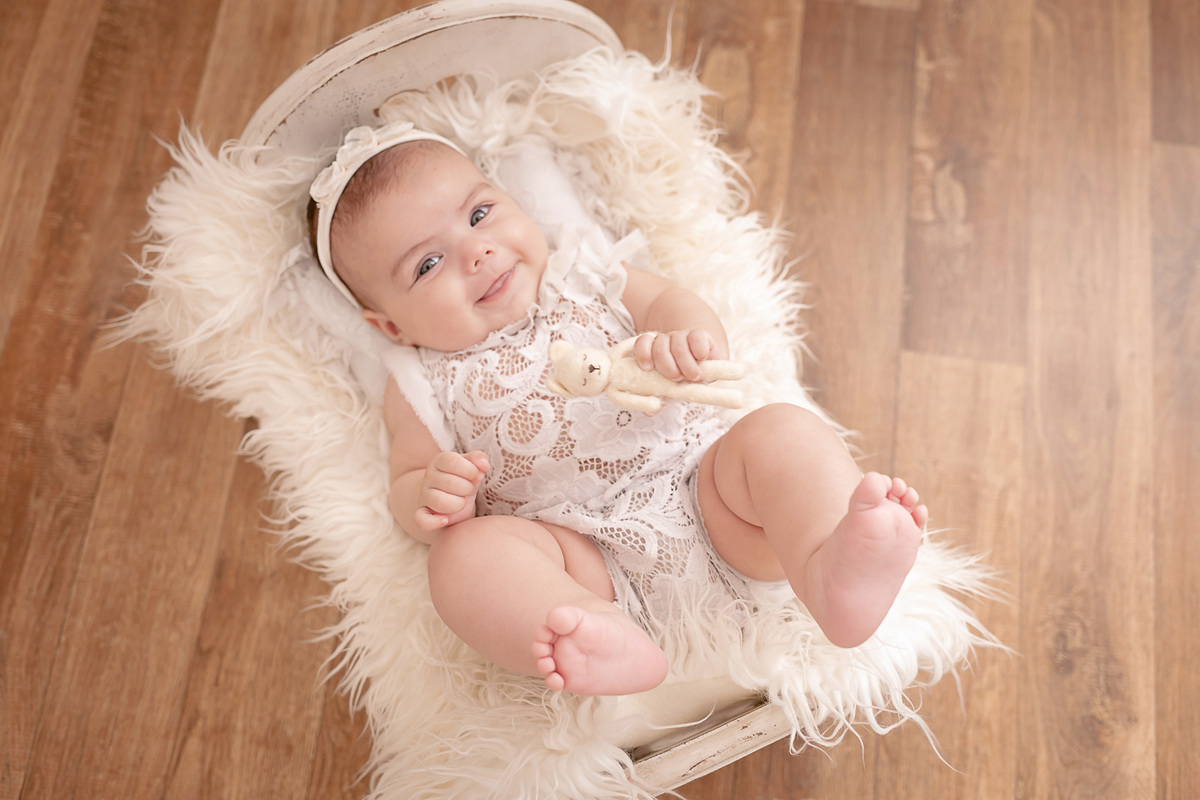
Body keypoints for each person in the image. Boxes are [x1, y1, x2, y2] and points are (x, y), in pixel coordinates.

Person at [308, 121, 928, 697]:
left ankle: (829, 567)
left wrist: (681, 340)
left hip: (711, 494)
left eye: (479, 215)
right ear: (390, 325)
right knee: (460, 559)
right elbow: (407, 480)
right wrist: (432, 497)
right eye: (428, 264)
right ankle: (591, 633)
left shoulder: (585, 273)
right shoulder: (420, 379)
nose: (477, 253)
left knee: (780, 433)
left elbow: (674, 304)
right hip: (583, 560)